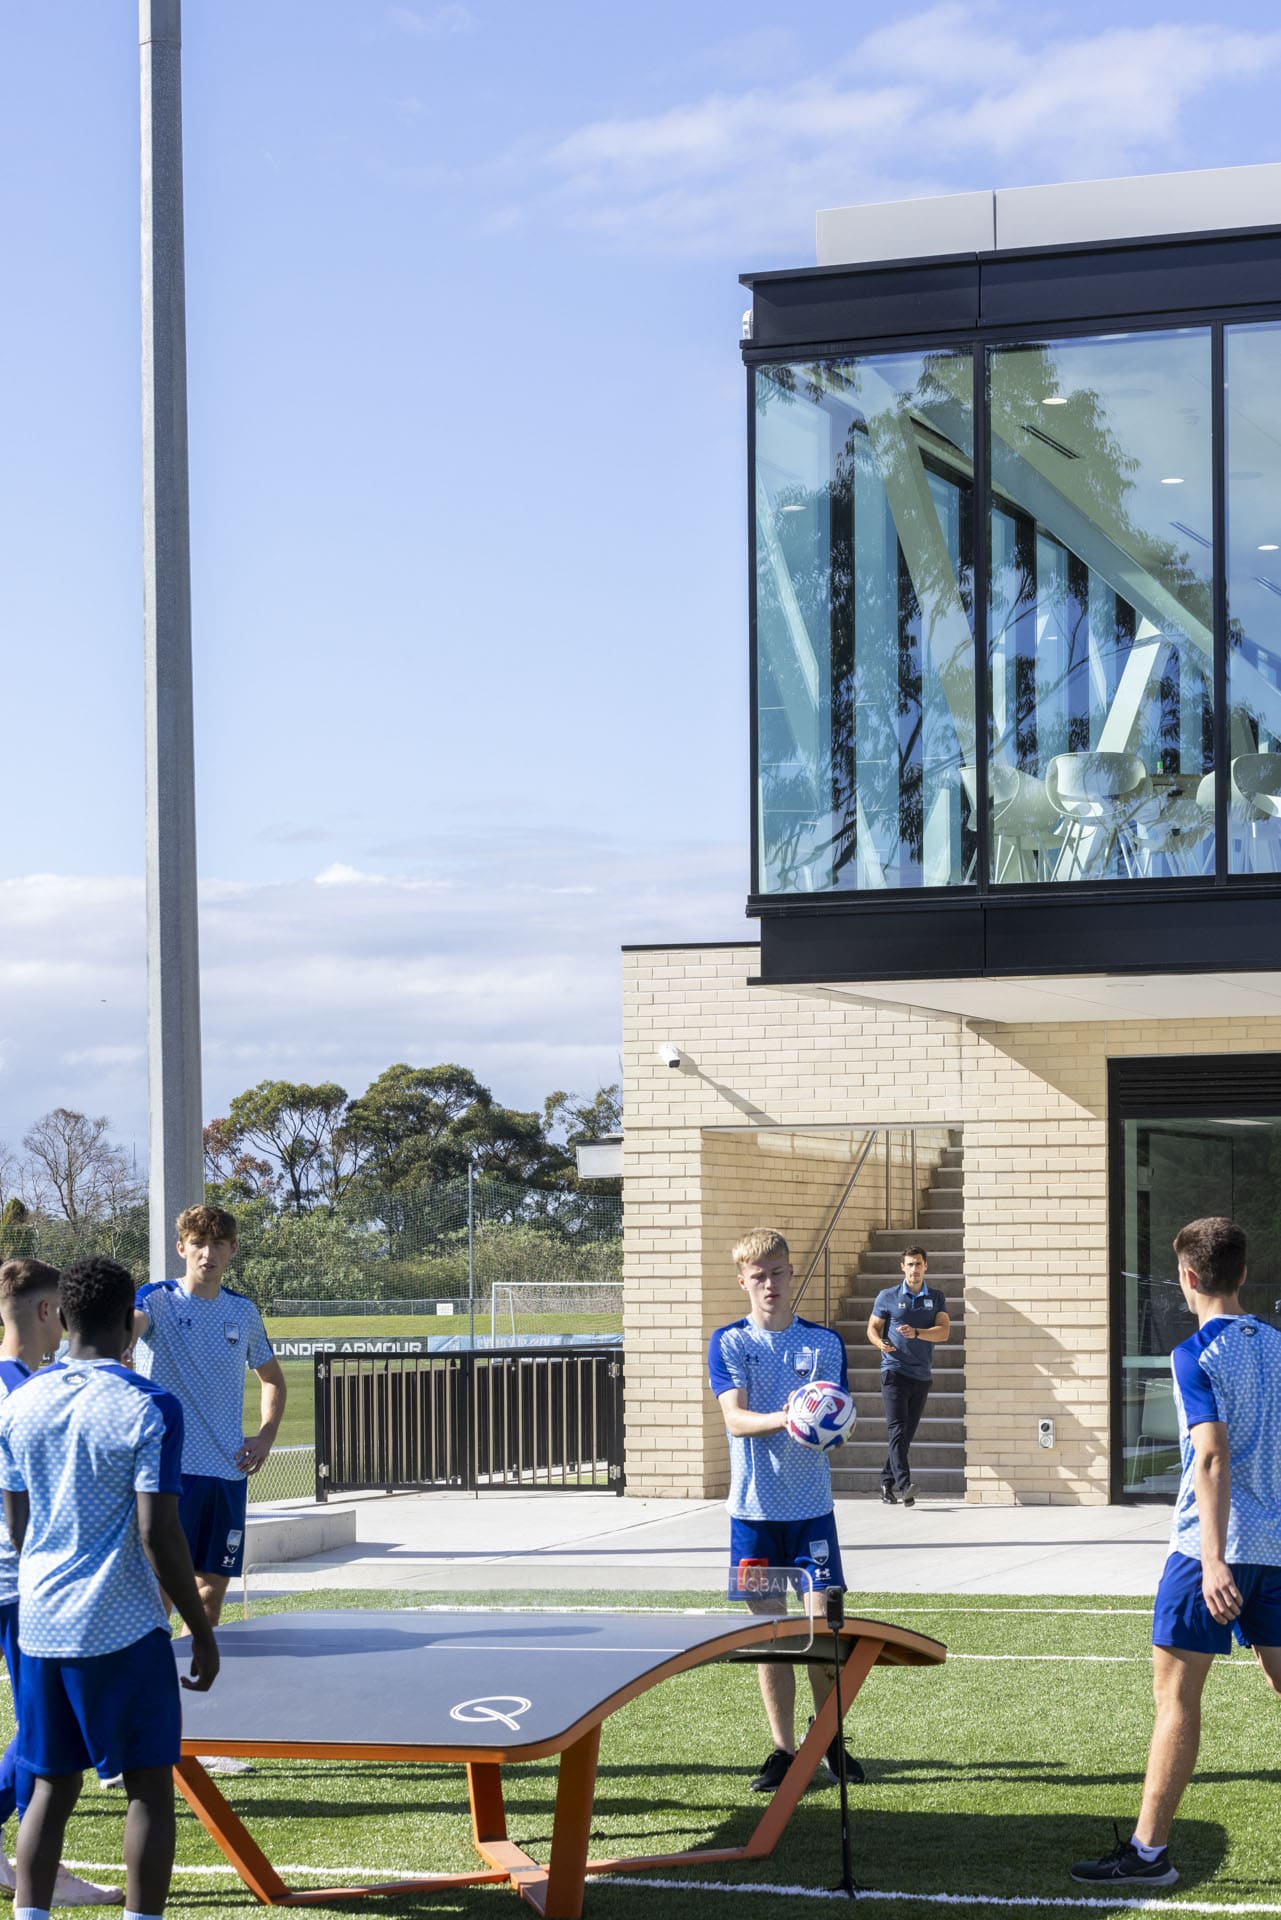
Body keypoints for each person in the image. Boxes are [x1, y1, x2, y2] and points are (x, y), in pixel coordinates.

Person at [0, 1254, 219, 1920]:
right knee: (149, 1789)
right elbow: (160, 1535)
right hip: (121, 1626)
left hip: (40, 1625)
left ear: (62, 1317)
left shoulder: (20, 1402)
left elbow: (17, 1528)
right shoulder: (148, 1404)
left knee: (48, 1789)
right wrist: (201, 1632)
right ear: (130, 1324)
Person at [1071, 1216, 1281, 1888]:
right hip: (1275, 1549)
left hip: (1204, 1554)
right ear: (1242, 1273)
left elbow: (1211, 1456)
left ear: (1187, 1278)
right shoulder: (1277, 1348)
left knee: (1175, 1700)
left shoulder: (1193, 1354)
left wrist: (1215, 1559)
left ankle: (1149, 1854)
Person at [708, 1227, 864, 1796]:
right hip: (753, 1513)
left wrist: (832, 1427)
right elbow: (735, 1420)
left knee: (822, 1630)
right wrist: (792, 1416)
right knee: (771, 1637)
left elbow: (836, 1424)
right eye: (758, 1276)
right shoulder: (729, 1342)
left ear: (791, 1273)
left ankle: (831, 1743)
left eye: (777, 1273)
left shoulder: (825, 1343)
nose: (769, 1284)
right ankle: (783, 1750)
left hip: (812, 1513)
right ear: (744, 1281)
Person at [0, 1259, 121, 1908]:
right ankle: (37, 1872)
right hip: (25, 1583)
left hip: (12, 1581)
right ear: (48, 1312)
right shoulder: (29, 1394)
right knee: (46, 1729)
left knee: (41, 1725)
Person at [867, 1246, 949, 1507]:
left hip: (921, 1373)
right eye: (909, 1264)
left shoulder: (936, 1297)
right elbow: (872, 1328)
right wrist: (880, 1344)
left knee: (905, 1434)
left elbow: (944, 1332)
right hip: (893, 1370)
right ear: (902, 1267)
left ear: (926, 1266)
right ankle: (904, 1485)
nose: (914, 1269)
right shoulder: (887, 1296)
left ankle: (886, 1480)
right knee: (897, 1428)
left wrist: (917, 1332)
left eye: (918, 1264)